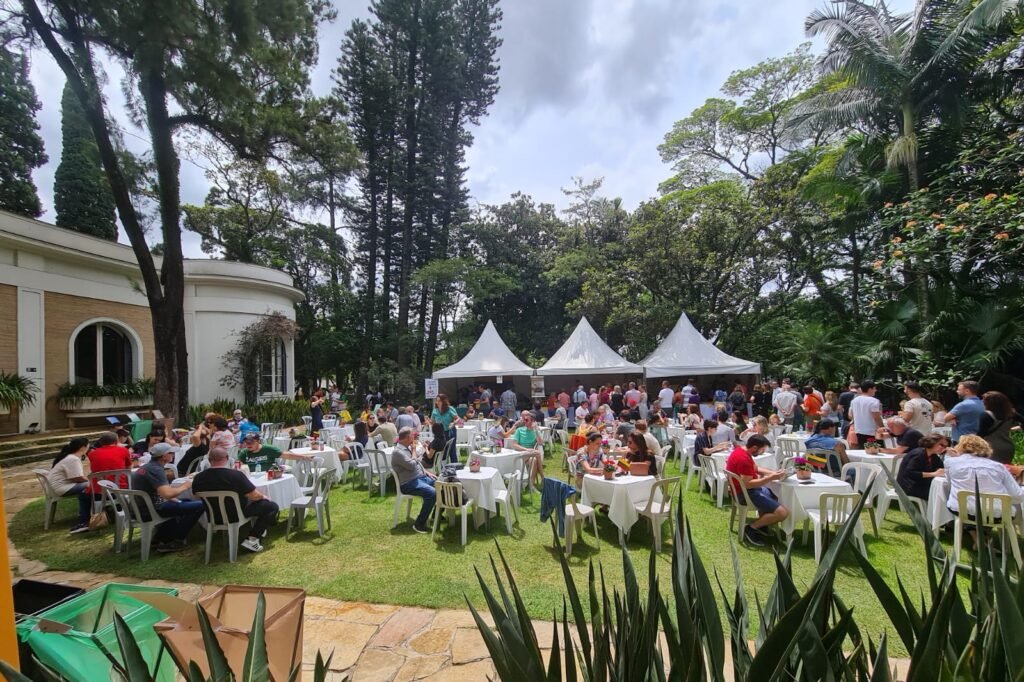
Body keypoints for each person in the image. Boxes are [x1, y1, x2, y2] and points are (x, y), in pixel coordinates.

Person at [192, 447, 279, 552]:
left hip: (213, 515)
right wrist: (263, 496)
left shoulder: (198, 478)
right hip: (237, 513)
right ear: (227, 458)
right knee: (271, 506)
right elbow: (253, 496)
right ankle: (252, 538)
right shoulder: (235, 475)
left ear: (209, 459)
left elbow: (197, 496)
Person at [945, 435, 1023, 542]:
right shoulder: (998, 467)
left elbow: (950, 485)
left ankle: (977, 538)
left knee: (962, 501)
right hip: (998, 514)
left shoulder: (951, 462)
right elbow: (1017, 495)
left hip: (963, 510)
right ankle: (983, 538)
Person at [131, 443, 205, 553]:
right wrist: (185, 486)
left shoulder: (147, 467)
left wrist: (177, 499)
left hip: (143, 507)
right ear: (164, 456)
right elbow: (167, 494)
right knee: (201, 505)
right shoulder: (156, 470)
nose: (173, 455)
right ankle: (176, 541)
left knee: (187, 502)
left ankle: (162, 538)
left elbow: (161, 492)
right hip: (153, 509)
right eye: (171, 453)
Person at [725, 434, 789, 546]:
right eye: (762, 450)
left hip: (745, 491)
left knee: (774, 495)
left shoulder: (742, 451)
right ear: (754, 447)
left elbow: (756, 468)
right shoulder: (743, 459)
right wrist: (771, 478)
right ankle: (751, 528)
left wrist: (774, 473)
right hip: (745, 494)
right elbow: (747, 485)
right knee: (782, 513)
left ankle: (762, 525)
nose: (762, 453)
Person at [391, 427, 437, 533]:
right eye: (412, 435)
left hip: (420, 478)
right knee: (432, 493)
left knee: (442, 484)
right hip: (408, 483)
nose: (414, 436)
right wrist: (414, 451)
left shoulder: (406, 448)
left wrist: (426, 472)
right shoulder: (398, 452)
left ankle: (436, 516)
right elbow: (412, 465)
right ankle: (419, 524)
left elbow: (417, 463)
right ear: (407, 437)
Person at [48, 437, 92, 534]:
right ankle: (86, 519)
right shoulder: (73, 459)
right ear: (82, 447)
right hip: (63, 488)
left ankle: (88, 516)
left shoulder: (69, 457)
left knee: (91, 486)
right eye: (88, 445)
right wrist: (90, 480)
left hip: (60, 487)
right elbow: (77, 478)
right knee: (93, 486)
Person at [897, 434, 947, 502]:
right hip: (908, 486)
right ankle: (935, 512)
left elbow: (941, 468)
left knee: (944, 491)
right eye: (941, 445)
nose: (943, 448)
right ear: (932, 442)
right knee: (940, 494)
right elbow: (910, 473)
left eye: (945, 446)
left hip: (920, 484)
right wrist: (933, 474)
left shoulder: (933, 456)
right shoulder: (918, 454)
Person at [505, 410, 545, 489]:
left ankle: (531, 485)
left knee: (534, 460)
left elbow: (540, 443)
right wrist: (526, 450)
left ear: (532, 421)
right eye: (524, 420)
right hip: (520, 454)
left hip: (530, 455)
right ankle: (543, 477)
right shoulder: (520, 430)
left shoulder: (535, 430)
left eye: (526, 420)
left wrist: (536, 430)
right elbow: (515, 445)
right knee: (537, 453)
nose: (524, 421)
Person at [979, 390, 1018, 464]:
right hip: (1008, 447)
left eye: (983, 400)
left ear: (989, 403)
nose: (982, 401)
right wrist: (1010, 429)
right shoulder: (1011, 413)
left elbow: (980, 434)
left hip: (990, 447)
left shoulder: (986, 415)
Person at [849, 380, 883, 445]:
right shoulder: (874, 401)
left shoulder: (854, 401)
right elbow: (876, 418)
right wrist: (883, 428)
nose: (875, 390)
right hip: (872, 432)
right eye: (875, 388)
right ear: (870, 389)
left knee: (864, 451)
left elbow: (850, 415)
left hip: (859, 431)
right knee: (876, 451)